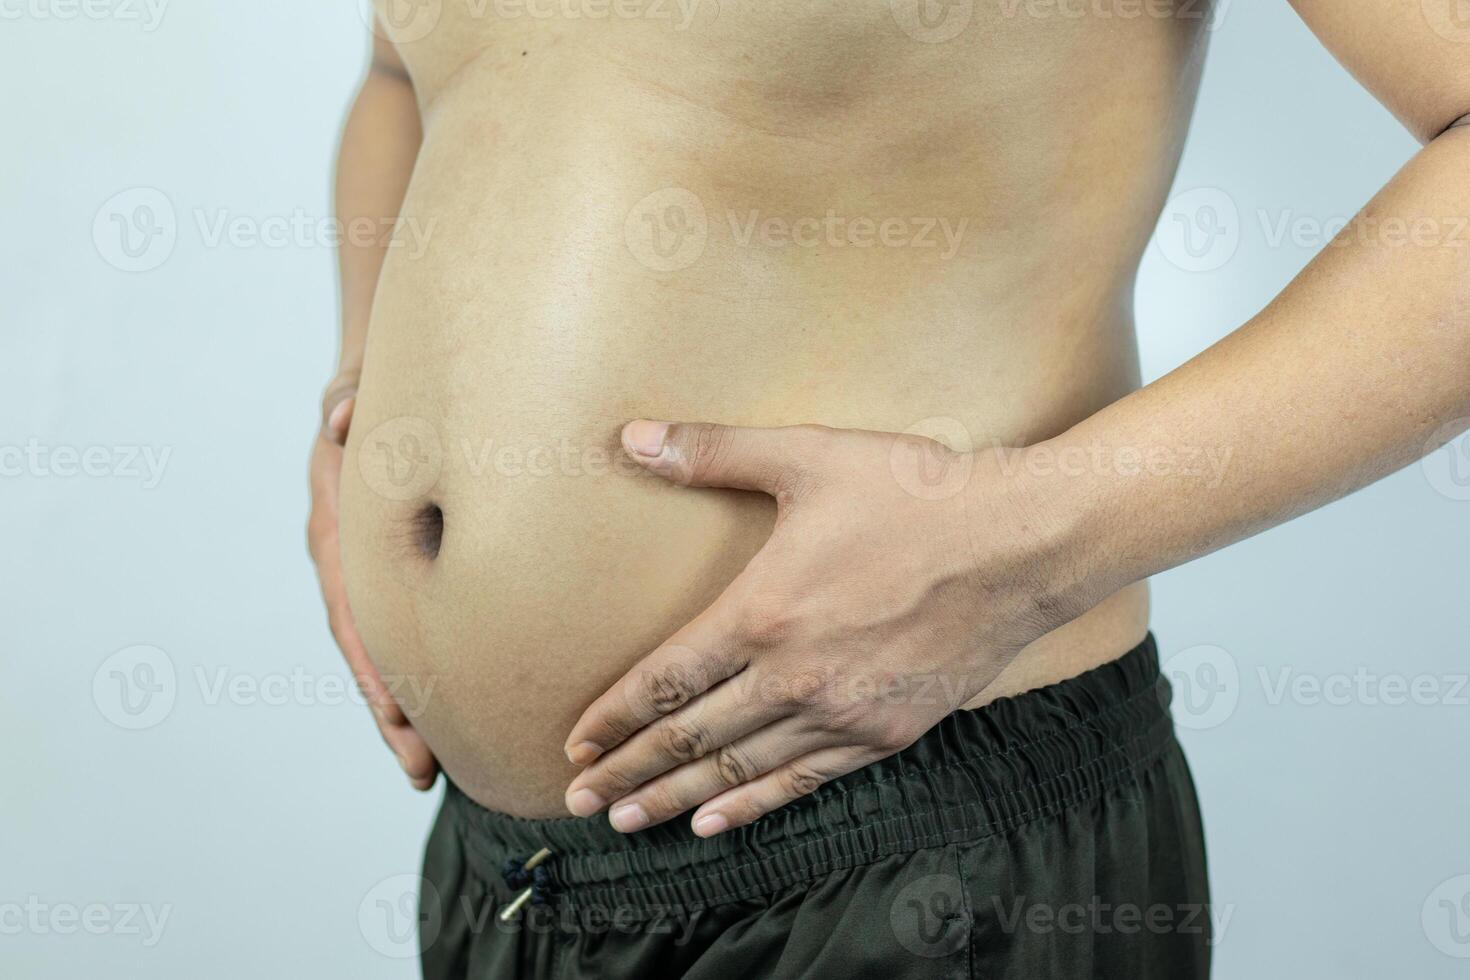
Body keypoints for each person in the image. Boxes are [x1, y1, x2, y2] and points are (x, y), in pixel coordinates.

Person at [306, 3, 1470, 976]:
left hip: (907, 841)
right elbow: (402, 71)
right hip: (501, 870)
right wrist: (369, 406)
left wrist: (1019, 551)